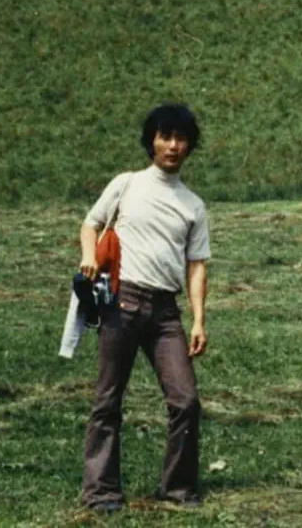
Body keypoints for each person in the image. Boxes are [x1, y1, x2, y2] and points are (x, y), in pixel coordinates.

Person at [78, 104, 211, 513]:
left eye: (180, 138)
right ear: (150, 140)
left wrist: (199, 319)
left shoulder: (193, 205)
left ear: (189, 146)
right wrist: (88, 257)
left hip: (166, 313)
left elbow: (197, 265)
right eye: (164, 136)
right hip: (121, 302)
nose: (172, 146)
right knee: (108, 400)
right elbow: (91, 223)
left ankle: (177, 489)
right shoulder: (127, 184)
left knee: (186, 401)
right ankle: (101, 492)